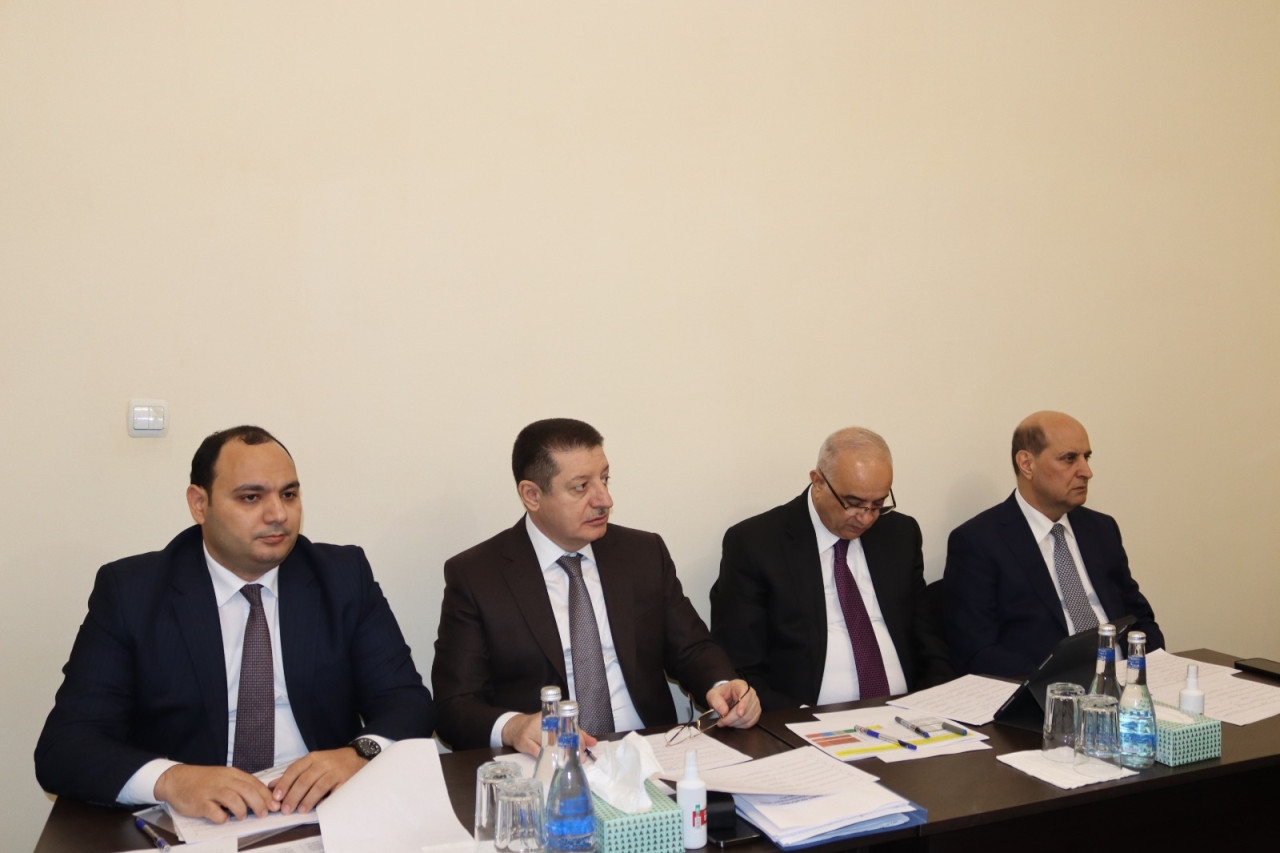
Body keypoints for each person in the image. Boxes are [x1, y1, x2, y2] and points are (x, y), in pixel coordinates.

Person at [35, 426, 435, 822]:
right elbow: (65, 747)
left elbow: (407, 703)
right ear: (199, 504)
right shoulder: (132, 593)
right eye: (251, 497)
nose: (278, 514)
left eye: (289, 495)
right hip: (195, 822)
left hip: (320, 814)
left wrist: (358, 755)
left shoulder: (342, 577)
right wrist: (171, 780)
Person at [431, 418, 759, 755]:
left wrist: (722, 684)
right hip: (547, 764)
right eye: (581, 487)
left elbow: (691, 648)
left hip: (648, 753)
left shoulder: (642, 553)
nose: (604, 499)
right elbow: (454, 705)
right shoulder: (477, 576)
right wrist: (514, 728)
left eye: (604, 479)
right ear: (532, 495)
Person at [710, 427, 953, 712]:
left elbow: (928, 639)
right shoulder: (756, 544)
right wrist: (800, 720)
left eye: (878, 504)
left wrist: (932, 703)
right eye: (853, 504)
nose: (866, 518)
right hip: (805, 719)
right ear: (818, 482)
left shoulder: (899, 534)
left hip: (907, 716)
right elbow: (741, 665)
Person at [944, 411, 1164, 678]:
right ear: (1027, 464)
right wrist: (1060, 683)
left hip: (1125, 681)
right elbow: (977, 652)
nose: (1087, 472)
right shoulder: (979, 541)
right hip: (1049, 689)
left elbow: (1140, 619)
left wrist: (1146, 673)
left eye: (1086, 457)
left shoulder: (1101, 529)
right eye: (1069, 458)